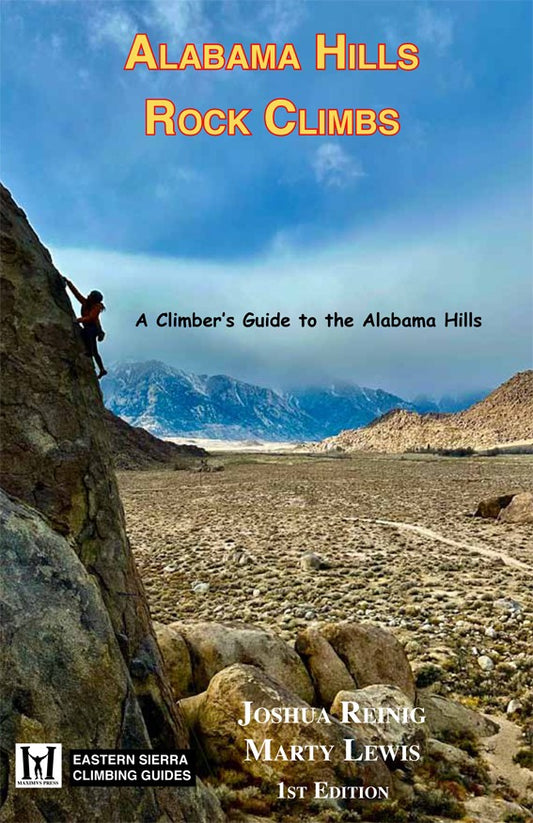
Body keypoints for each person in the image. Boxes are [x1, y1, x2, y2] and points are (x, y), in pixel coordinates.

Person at [63, 277, 108, 379]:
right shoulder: (87, 303)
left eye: (90, 296)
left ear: (93, 299)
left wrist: (79, 320)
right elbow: (77, 294)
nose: (88, 296)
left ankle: (93, 356)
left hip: (93, 328)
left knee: (89, 339)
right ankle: (101, 369)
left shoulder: (96, 307)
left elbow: (91, 317)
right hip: (90, 327)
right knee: (94, 349)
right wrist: (68, 283)